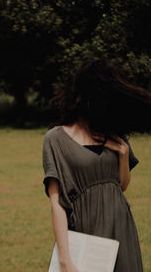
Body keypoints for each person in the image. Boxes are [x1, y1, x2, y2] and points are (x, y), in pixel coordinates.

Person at [42, 58, 151, 272]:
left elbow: (121, 186)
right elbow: (57, 203)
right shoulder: (56, 139)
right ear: (82, 97)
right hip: (87, 231)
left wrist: (123, 153)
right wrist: (65, 260)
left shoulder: (112, 131)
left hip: (122, 227)